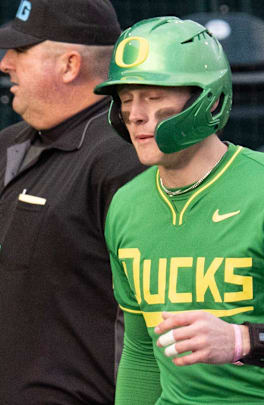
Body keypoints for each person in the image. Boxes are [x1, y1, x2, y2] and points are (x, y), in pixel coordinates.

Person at [0, 0, 146, 403]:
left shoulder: (125, 155)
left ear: (69, 65)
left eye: (21, 50)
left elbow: (145, 322)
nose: (4, 64)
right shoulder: (2, 146)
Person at [95, 16, 264, 404]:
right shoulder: (126, 204)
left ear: (211, 98)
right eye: (125, 100)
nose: (135, 114)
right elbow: (141, 352)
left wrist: (245, 339)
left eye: (152, 98)